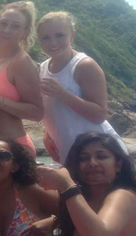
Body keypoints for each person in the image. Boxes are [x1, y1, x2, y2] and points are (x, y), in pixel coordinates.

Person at [37, 11, 123, 164]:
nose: (53, 43)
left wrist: (63, 95)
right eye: (46, 37)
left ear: (72, 35)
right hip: (71, 153)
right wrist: (47, 135)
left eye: (59, 35)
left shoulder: (84, 66)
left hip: (99, 156)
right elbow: (54, 111)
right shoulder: (43, 68)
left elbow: (99, 114)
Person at [0, 1, 43, 156]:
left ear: (25, 32)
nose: (6, 30)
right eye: (3, 23)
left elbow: (37, 113)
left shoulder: (22, 62)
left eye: (15, 26)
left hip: (14, 150)